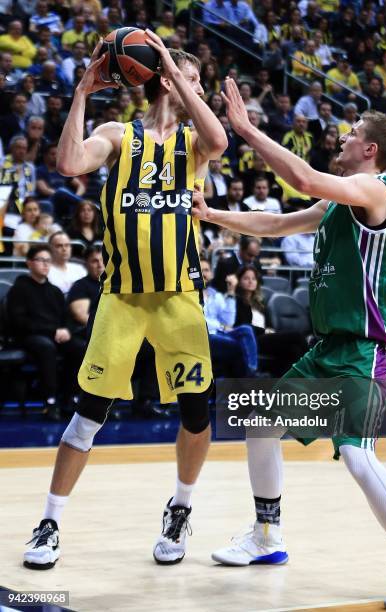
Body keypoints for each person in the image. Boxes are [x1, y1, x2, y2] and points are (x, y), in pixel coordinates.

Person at [192, 78, 386, 610]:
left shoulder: (376, 190)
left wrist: (248, 131)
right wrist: (214, 216)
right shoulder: (336, 207)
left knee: (355, 453)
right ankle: (266, 536)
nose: (342, 138)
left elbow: (302, 178)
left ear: (370, 150)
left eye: (351, 134)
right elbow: (279, 223)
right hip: (328, 349)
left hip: (369, 349)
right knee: (260, 422)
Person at [23, 32, 227, 570]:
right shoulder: (119, 135)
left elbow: (221, 140)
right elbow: (69, 163)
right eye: (191, 81)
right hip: (122, 296)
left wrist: (175, 67)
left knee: (196, 411)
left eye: (198, 83)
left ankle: (180, 509)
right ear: (165, 81)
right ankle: (49, 522)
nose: (198, 89)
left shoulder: (195, 143)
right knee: (88, 414)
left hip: (179, 296)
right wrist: (83, 92)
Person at [7, 245, 84, 420]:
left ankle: (69, 398)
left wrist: (66, 330)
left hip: (55, 335)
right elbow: (19, 322)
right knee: (46, 347)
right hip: (28, 337)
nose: (45, 264)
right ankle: (50, 402)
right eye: (41, 260)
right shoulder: (19, 289)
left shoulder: (55, 291)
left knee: (80, 347)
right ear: (29, 263)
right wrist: (52, 331)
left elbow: (67, 318)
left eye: (48, 260)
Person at [48, 231, 86, 295]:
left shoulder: (80, 269)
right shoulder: (46, 270)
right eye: (59, 246)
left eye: (67, 245)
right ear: (50, 249)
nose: (64, 249)